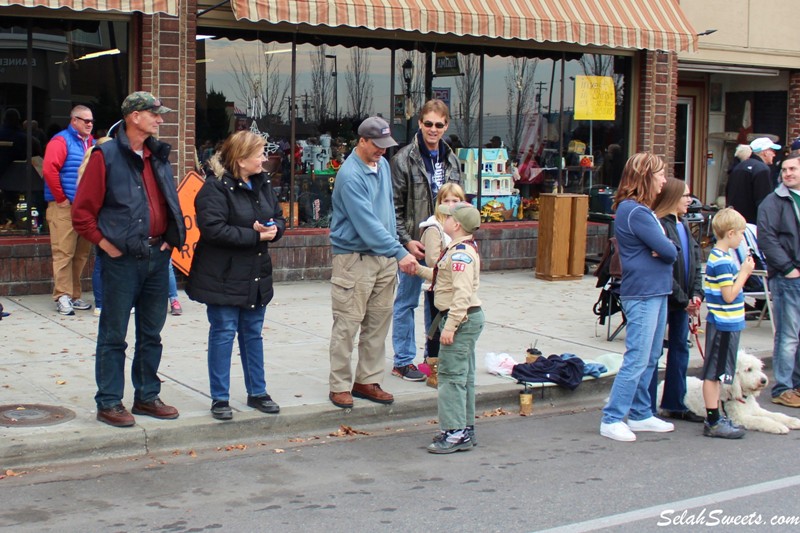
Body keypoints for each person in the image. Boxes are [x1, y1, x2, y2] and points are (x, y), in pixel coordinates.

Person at [72, 91, 186, 427]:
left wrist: (169, 240)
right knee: (114, 335)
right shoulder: (104, 156)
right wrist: (107, 247)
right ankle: (109, 402)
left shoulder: (158, 155)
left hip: (157, 256)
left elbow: (168, 201)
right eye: (154, 114)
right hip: (121, 261)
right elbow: (82, 215)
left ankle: (147, 397)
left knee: (152, 333)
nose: (160, 120)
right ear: (134, 116)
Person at [186, 131, 285, 420]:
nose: (264, 159)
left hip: (255, 274)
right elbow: (213, 229)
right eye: (259, 154)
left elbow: (277, 216)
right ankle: (220, 398)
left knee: (253, 334)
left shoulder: (262, 183)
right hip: (223, 275)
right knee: (224, 333)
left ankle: (258, 392)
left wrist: (275, 230)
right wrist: (255, 235)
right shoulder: (214, 188)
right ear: (241, 159)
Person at [328, 117, 418, 409]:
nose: (382, 150)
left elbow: (388, 211)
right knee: (347, 324)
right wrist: (399, 252)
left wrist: (401, 243)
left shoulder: (381, 166)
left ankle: (367, 380)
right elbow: (366, 223)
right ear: (362, 141)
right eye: (377, 145)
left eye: (386, 145)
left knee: (378, 323)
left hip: (383, 258)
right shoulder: (350, 176)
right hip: (356, 259)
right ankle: (339, 385)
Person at [599, 152, 677, 442]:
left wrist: (666, 249)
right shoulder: (636, 211)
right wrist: (665, 249)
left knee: (651, 356)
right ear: (646, 177)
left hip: (656, 289)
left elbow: (670, 250)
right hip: (643, 291)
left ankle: (642, 413)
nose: (664, 181)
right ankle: (612, 417)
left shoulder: (641, 211)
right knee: (638, 357)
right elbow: (669, 251)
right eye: (659, 175)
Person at [390, 99, 461, 382]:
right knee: (407, 302)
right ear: (420, 123)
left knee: (439, 302)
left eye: (439, 125)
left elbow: (460, 204)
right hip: (415, 243)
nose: (433, 129)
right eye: (428, 123)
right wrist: (406, 242)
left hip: (444, 245)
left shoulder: (452, 160)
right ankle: (403, 361)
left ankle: (433, 360)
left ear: (446, 126)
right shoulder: (403, 159)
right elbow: (393, 208)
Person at [415, 202, 483, 453]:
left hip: (461, 319)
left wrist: (451, 326)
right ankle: (465, 426)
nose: (443, 218)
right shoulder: (458, 249)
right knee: (464, 375)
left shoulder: (460, 255)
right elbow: (440, 278)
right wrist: (417, 269)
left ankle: (455, 432)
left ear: (456, 225)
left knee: (451, 377)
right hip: (465, 317)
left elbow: (462, 295)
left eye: (448, 217)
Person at [648, 178, 704, 423]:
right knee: (654, 352)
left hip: (684, 301)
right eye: (685, 195)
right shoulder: (660, 225)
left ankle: (675, 402)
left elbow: (696, 263)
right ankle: (646, 406)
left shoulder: (684, 225)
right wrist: (683, 298)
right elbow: (662, 268)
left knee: (680, 349)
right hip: (666, 298)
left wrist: (696, 294)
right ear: (672, 198)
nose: (689, 200)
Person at [702, 207, 753, 438]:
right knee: (714, 372)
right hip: (723, 323)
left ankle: (716, 415)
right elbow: (728, 295)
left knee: (720, 371)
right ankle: (713, 420)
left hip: (726, 322)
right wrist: (744, 273)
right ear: (730, 233)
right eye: (741, 233)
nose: (742, 238)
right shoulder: (722, 261)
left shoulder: (720, 257)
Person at [42, 105, 96, 315]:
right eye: (85, 120)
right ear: (74, 120)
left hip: (84, 207)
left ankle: (74, 295)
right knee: (64, 252)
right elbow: (49, 169)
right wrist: (61, 198)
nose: (89, 124)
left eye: (91, 121)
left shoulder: (90, 143)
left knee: (81, 253)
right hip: (64, 207)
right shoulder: (60, 141)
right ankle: (62, 296)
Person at [757, 154, 800, 408]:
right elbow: (767, 239)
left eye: (793, 168)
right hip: (787, 278)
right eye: (784, 169)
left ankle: (795, 385)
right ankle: (782, 387)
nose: (788, 173)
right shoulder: (772, 202)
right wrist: (788, 269)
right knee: (788, 335)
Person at [418, 182, 466, 388]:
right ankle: (434, 371)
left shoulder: (461, 225)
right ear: (439, 203)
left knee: (456, 327)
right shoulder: (434, 227)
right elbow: (431, 259)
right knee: (436, 329)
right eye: (446, 200)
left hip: (457, 286)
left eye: (455, 200)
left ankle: (451, 366)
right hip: (437, 287)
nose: (450, 204)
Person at [726, 137, 779, 224]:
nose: (774, 154)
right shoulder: (762, 169)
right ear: (765, 152)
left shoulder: (738, 167)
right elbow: (764, 202)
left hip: (735, 222)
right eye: (773, 151)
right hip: (752, 224)